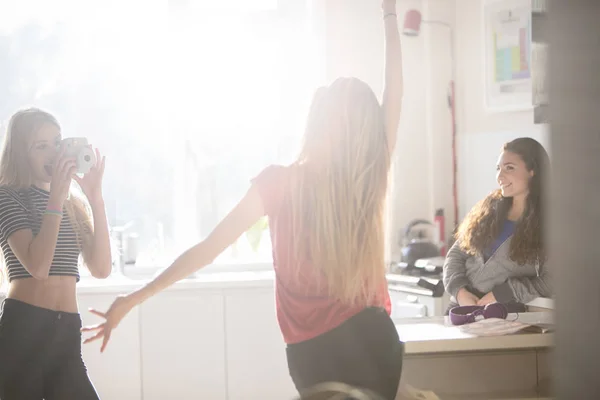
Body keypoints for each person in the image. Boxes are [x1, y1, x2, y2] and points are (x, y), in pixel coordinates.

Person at [81, 1, 404, 398]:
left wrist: (134, 298)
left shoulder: (280, 184)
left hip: (313, 349)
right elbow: (394, 94)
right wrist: (389, 15)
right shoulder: (367, 179)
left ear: (317, 121)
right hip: (373, 339)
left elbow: (207, 249)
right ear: (366, 133)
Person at [0, 108, 112, 400]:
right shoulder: (8, 196)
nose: (53, 152)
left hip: (65, 334)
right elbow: (38, 266)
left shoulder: (72, 204)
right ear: (21, 154)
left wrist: (95, 200)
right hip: (24, 330)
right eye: (40, 146)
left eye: (57, 142)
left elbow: (101, 268)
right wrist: (56, 199)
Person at [443, 137, 551, 313]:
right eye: (498, 168)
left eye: (509, 168)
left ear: (533, 170)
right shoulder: (489, 209)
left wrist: (504, 293)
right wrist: (460, 291)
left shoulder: (548, 222)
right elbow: (455, 255)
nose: (500, 176)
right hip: (459, 310)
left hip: (504, 315)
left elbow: (551, 280)